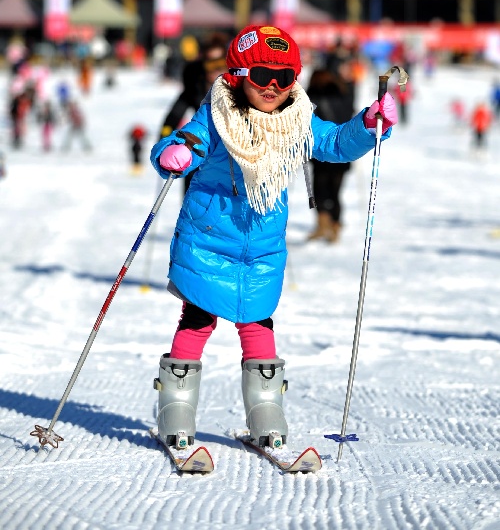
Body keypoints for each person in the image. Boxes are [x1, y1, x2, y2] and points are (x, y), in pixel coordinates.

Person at [149, 25, 397, 452]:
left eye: (285, 78)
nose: (273, 87)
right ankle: (176, 409)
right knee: (198, 319)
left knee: (258, 321)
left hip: (262, 247)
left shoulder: (296, 119)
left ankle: (265, 409)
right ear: (238, 75)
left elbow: (334, 142)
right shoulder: (217, 115)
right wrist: (176, 154)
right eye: (262, 75)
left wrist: (368, 123)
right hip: (208, 240)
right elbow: (187, 139)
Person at [158, 33, 228, 194]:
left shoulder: (241, 91)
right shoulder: (194, 89)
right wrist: (165, 138)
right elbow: (173, 117)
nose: (215, 69)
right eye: (210, 64)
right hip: (200, 154)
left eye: (219, 63)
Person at [306, 67, 354, 242]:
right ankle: (335, 225)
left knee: (320, 192)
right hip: (342, 152)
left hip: (320, 155)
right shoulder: (343, 95)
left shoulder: (311, 98)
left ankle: (323, 224)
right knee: (335, 192)